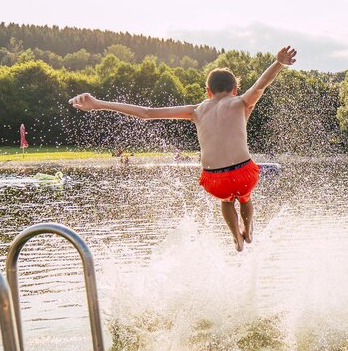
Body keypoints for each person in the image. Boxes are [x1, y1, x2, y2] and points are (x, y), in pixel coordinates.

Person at [69, 46, 298, 251]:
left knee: (226, 200)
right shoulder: (241, 103)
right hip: (243, 174)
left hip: (213, 180)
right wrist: (278, 63)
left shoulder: (196, 110)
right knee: (245, 197)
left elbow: (147, 113)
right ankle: (247, 231)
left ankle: (235, 237)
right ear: (235, 89)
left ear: (207, 91)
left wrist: (98, 104)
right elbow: (260, 85)